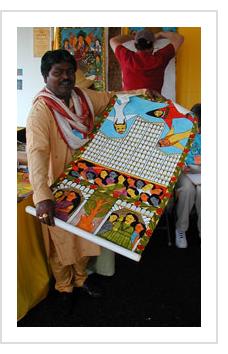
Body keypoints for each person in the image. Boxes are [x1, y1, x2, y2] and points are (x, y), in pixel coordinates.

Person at [26, 49, 160, 313]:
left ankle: (82, 278)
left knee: (84, 233)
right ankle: (64, 288)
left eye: (69, 72)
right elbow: (37, 154)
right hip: (56, 186)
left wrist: (144, 93)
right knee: (61, 241)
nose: (65, 77)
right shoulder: (40, 112)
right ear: (45, 76)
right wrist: (43, 197)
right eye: (57, 73)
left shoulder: (82, 98)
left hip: (87, 180)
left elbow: (113, 99)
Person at [110, 29, 184, 93]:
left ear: (135, 44)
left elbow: (113, 40)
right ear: (152, 46)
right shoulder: (160, 58)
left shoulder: (126, 57)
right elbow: (179, 38)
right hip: (153, 106)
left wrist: (133, 37)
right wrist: (160, 34)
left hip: (129, 106)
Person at [175, 103, 201, 248]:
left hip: (202, 173)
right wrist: (181, 165)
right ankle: (181, 228)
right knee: (187, 190)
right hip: (184, 172)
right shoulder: (182, 131)